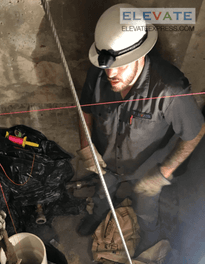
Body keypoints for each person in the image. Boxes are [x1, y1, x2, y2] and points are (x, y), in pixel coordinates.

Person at [77, 3, 205, 251]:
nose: (111, 73)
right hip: (107, 161)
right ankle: (99, 213)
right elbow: (85, 109)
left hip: (147, 168)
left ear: (141, 55)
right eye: (107, 67)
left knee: (146, 208)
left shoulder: (169, 89)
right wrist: (86, 147)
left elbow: (195, 132)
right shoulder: (99, 71)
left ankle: (150, 235)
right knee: (103, 192)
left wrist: (163, 173)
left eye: (120, 65)